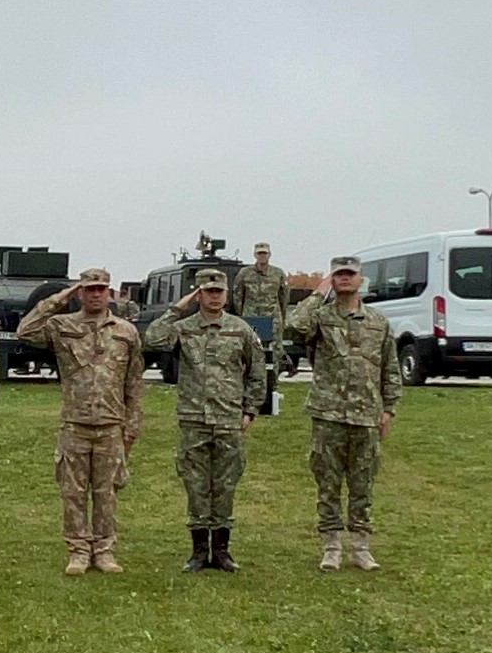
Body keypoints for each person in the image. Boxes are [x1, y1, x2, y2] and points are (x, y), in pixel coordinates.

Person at [16, 268, 145, 574]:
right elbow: (26, 330)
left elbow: (134, 383)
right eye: (89, 289)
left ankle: (104, 550)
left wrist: (132, 426)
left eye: (101, 289)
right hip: (75, 424)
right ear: (81, 292)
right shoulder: (63, 326)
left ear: (109, 292)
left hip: (111, 424)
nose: (96, 294)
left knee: (106, 492)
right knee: (72, 492)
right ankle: (78, 550)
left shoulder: (126, 331)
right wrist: (62, 296)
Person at [143, 268, 266, 571]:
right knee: (196, 485)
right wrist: (178, 308)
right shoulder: (184, 328)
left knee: (225, 484)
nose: (214, 297)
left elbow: (257, 372)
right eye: (208, 291)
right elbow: (153, 338)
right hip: (193, 418)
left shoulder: (240, 329)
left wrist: (250, 410)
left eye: (218, 291)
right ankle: (199, 551)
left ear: (226, 294)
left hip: (228, 419)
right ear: (198, 295)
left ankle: (222, 551)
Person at [287, 255, 401, 570]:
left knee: (363, 484)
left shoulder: (378, 321)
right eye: (339, 275)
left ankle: (361, 547)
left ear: (361, 279)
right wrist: (317, 292)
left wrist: (389, 409)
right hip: (329, 415)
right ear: (332, 280)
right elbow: (294, 325)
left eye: (350, 274)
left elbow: (390, 368)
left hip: (366, 415)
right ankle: (332, 546)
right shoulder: (321, 319)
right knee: (328, 483)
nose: (345, 279)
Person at [232, 243, 288, 326]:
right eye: (259, 253)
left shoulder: (278, 273)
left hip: (273, 319)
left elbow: (284, 296)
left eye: (264, 253)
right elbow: (237, 296)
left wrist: (282, 315)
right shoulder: (245, 273)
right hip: (250, 317)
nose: (262, 256)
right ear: (255, 255)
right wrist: (241, 315)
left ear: (269, 255)